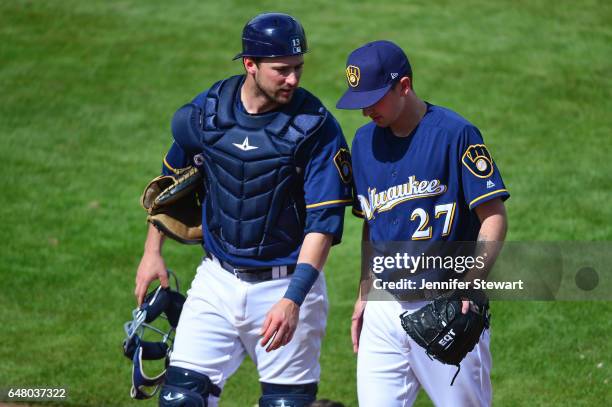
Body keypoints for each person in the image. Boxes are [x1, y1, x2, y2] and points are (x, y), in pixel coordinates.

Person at [134, 13, 353, 407]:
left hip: (284, 285)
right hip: (216, 281)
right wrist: (153, 253)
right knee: (181, 400)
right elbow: (172, 186)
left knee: (285, 404)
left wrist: (293, 299)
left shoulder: (316, 128)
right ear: (250, 64)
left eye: (298, 68)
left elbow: (323, 224)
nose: (293, 79)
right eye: (282, 70)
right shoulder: (209, 112)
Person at [336, 40, 509, 406]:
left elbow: (493, 217)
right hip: (383, 312)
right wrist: (364, 291)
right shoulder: (364, 141)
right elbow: (373, 224)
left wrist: (470, 285)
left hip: (445, 306)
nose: (366, 110)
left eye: (374, 98)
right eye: (360, 100)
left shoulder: (455, 134)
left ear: (404, 85)